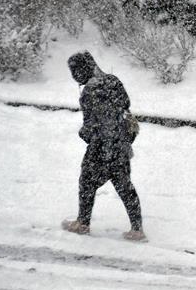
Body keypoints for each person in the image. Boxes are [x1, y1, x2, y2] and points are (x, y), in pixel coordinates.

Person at [62, 51, 145, 241]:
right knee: (124, 185)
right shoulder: (113, 81)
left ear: (82, 70)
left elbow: (94, 124)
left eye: (74, 71)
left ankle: (82, 223)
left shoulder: (91, 90)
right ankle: (137, 229)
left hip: (101, 146)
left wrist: (85, 134)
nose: (74, 75)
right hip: (121, 144)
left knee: (86, 182)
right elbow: (125, 108)